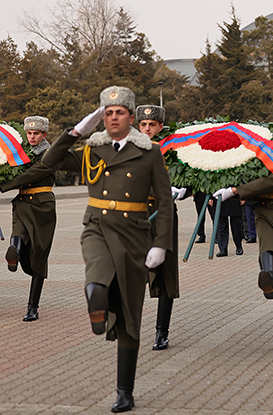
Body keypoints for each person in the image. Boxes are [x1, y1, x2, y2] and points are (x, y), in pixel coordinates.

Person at [41, 86, 174, 412]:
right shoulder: (92, 148)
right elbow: (49, 161)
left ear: (130, 117)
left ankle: (124, 391)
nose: (114, 117)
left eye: (119, 112)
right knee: (97, 278)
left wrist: (161, 244)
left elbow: (165, 201)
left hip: (134, 235)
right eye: (108, 112)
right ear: (103, 117)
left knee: (130, 315)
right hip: (97, 227)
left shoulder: (149, 152)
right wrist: (75, 132)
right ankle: (97, 302)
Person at [213, 101, 273, 354]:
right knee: (266, 246)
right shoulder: (265, 148)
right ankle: (267, 276)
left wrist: (236, 191)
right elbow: (247, 169)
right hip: (265, 210)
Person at [1, 116, 56, 321]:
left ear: (44, 135)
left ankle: (32, 305)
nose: (32, 137)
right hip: (24, 202)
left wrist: (3, 185)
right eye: (29, 133)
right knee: (20, 235)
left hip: (42, 207)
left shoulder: (50, 154)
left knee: (38, 255)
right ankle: (13, 251)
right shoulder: (20, 153)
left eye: (36, 134)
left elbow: (32, 174)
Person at [136, 104, 181, 351]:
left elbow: (188, 174)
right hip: (137, 215)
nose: (147, 129)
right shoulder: (129, 149)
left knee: (165, 274)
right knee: (133, 271)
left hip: (164, 215)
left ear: (160, 126)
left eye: (152, 125)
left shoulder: (172, 150)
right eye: (143, 125)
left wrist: (182, 190)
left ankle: (161, 332)